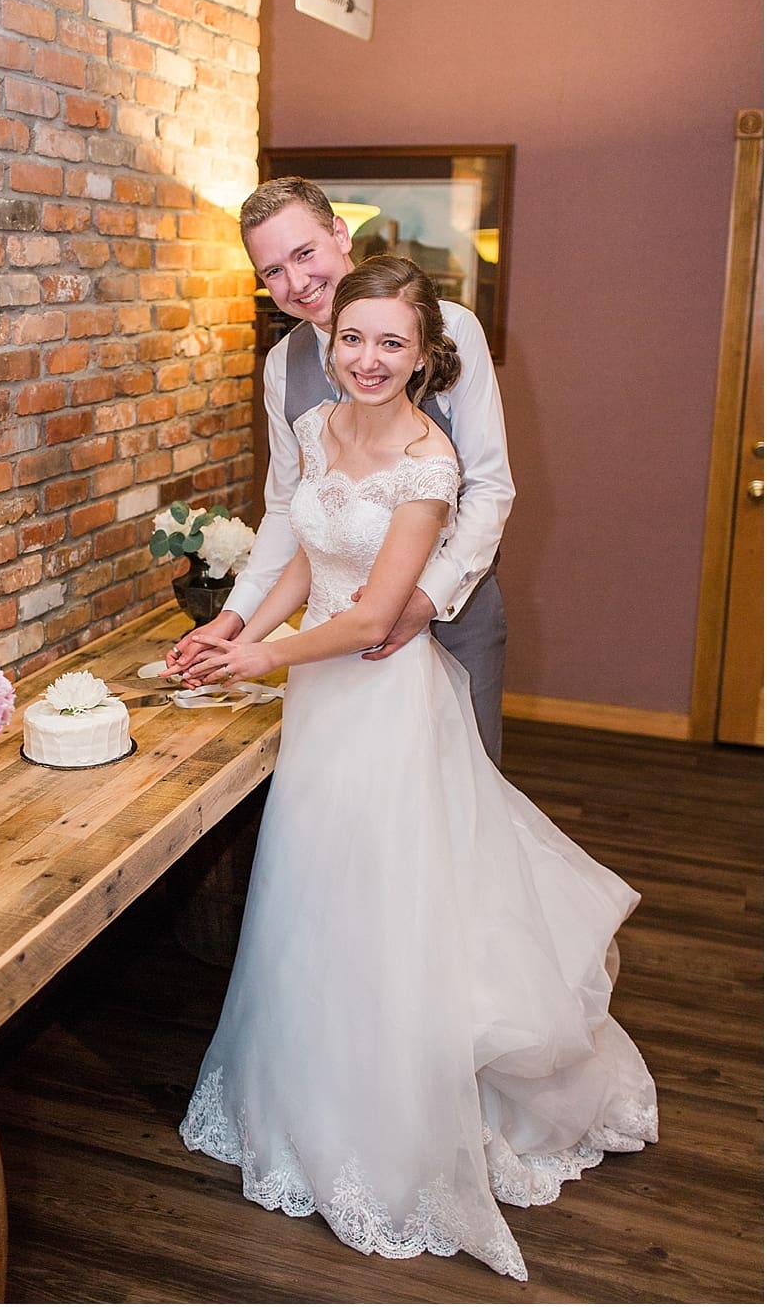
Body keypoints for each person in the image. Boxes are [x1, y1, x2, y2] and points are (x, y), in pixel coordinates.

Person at [171, 256, 657, 1281]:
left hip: (383, 702)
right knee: (312, 899)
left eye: (392, 342)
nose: (368, 358)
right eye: (353, 337)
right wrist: (233, 630)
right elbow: (305, 556)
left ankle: (394, 1120)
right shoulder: (313, 429)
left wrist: (264, 654)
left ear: (426, 354)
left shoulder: (430, 460)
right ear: (329, 337)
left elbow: (373, 615)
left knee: (388, 907)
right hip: (319, 703)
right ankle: (303, 1094)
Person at [167, 177, 515, 760]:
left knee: (453, 811)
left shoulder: (451, 329)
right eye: (272, 270)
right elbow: (287, 509)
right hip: (329, 646)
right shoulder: (284, 365)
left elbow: (489, 489)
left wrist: (421, 603)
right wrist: (233, 621)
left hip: (456, 617)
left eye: (304, 253)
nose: (296, 283)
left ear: (339, 233)